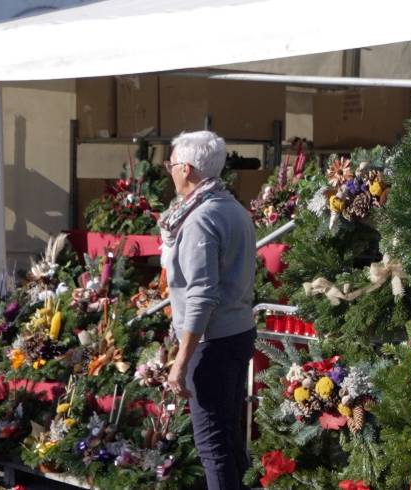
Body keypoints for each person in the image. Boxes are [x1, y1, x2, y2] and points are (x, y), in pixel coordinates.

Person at [159, 131, 257, 489]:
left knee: (213, 444)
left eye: (171, 165)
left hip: (213, 341)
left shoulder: (201, 218)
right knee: (228, 439)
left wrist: (182, 360)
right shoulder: (233, 208)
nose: (169, 172)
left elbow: (202, 294)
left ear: (185, 169)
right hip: (237, 331)